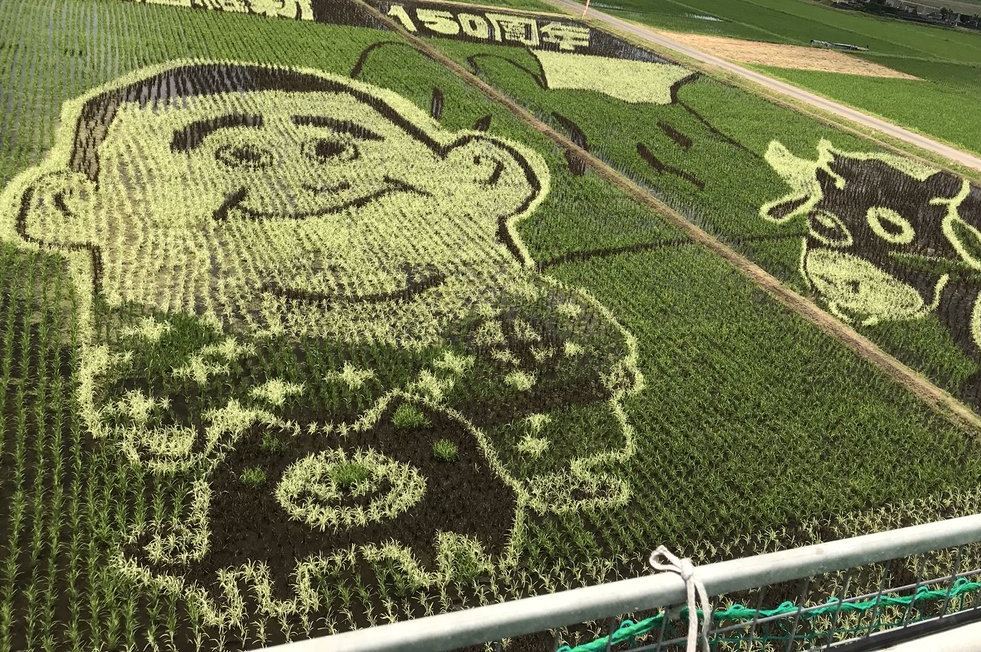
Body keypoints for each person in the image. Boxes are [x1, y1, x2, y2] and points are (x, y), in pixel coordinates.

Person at [0, 60, 641, 626]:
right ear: (70, 209)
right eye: (240, 156)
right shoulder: (173, 364)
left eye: (332, 148)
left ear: (483, 174)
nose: (305, 184)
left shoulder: (515, 332)